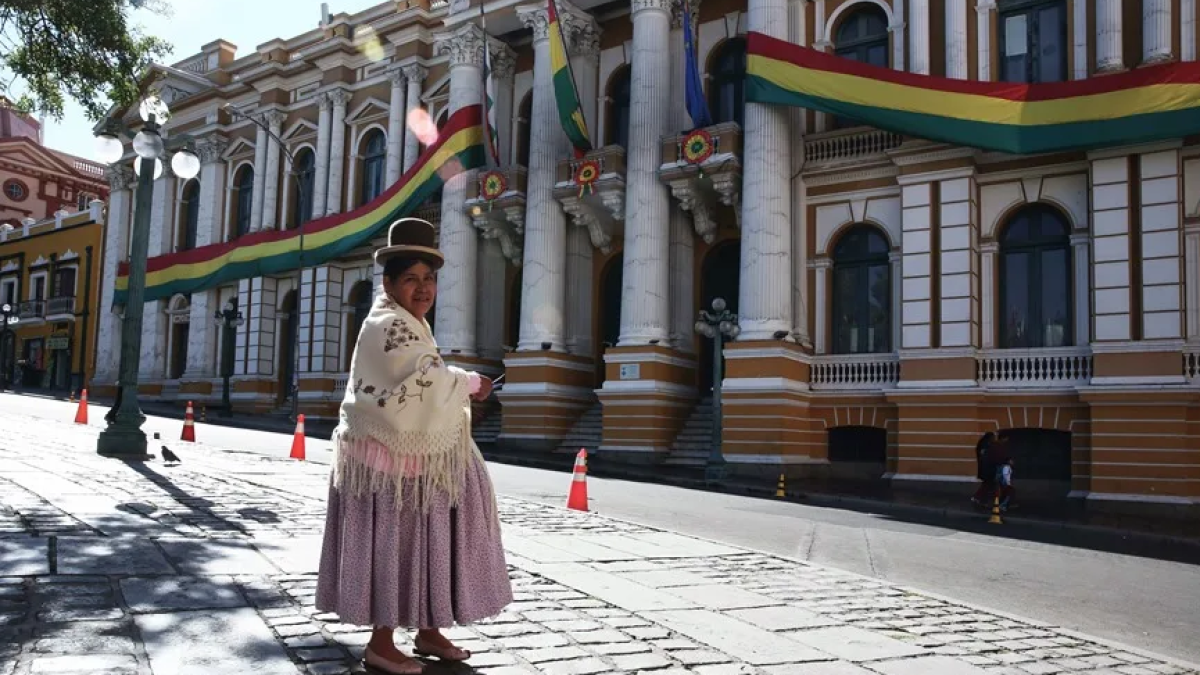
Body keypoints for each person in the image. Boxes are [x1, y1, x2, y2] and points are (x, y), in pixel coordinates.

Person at [315, 218, 513, 675]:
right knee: (396, 544)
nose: (423, 289)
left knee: (427, 540)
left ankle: (427, 628)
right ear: (388, 282)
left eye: (429, 279)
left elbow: (422, 374)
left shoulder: (408, 322)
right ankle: (381, 643)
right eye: (411, 279)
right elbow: (419, 381)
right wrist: (468, 381)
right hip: (386, 463)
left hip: (409, 458)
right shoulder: (389, 323)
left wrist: (457, 380)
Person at [971, 431, 996, 507]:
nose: (994, 439)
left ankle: (979, 498)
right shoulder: (985, 445)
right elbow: (985, 456)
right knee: (987, 485)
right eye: (993, 437)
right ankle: (979, 498)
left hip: (984, 468)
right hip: (986, 469)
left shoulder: (982, 444)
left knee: (987, 485)